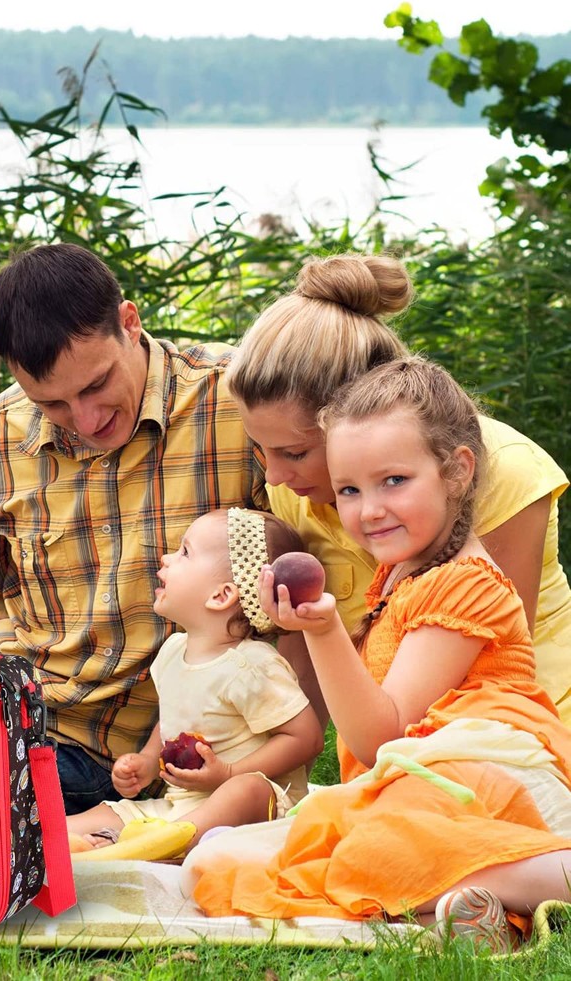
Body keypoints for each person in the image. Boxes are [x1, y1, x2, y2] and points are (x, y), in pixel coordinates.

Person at [0, 243, 266, 814]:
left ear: (129, 322)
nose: (87, 420)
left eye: (96, 385)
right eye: (53, 404)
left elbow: (303, 587)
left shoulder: (237, 400)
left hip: (97, 750)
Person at [185, 357, 571, 951]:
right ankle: (464, 910)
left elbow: (381, 735)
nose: (369, 509)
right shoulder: (401, 578)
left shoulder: (466, 585)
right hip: (425, 795)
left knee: (364, 852)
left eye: (394, 481)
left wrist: (324, 631)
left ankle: (551, 873)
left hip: (496, 790)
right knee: (214, 861)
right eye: (349, 489)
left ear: (457, 471)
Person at [225, 252, 571, 728]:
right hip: (399, 747)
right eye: (262, 450)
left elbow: (477, 681)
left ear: (356, 417)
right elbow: (309, 661)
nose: (276, 477)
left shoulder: (501, 469)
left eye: (295, 452)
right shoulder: (295, 489)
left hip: (512, 740)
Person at [67, 507, 323, 853]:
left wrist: (230, 773)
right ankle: (105, 844)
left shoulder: (251, 665)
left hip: (253, 810)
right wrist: (147, 762)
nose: (166, 558)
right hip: (181, 806)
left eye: (185, 552)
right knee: (88, 819)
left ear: (221, 595)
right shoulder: (173, 651)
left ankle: (144, 849)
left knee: (247, 789)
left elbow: (306, 738)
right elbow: (174, 719)